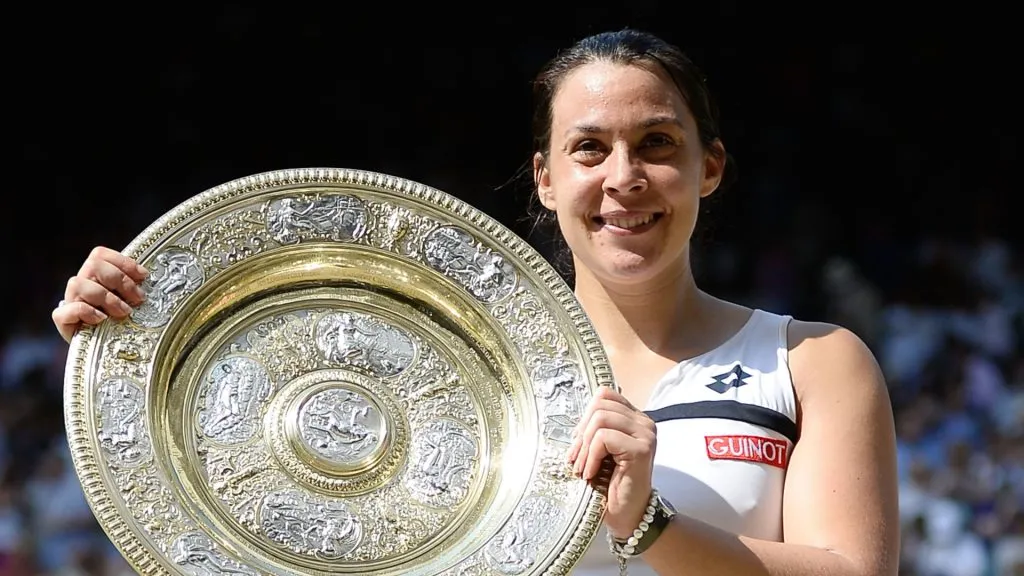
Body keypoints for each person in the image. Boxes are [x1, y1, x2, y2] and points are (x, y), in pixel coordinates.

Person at [52, 29, 900, 576]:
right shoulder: (449, 379)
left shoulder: (809, 363)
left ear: (708, 167)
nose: (624, 178)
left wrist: (650, 525)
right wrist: (127, 342)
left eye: (657, 144)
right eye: (589, 149)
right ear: (545, 177)